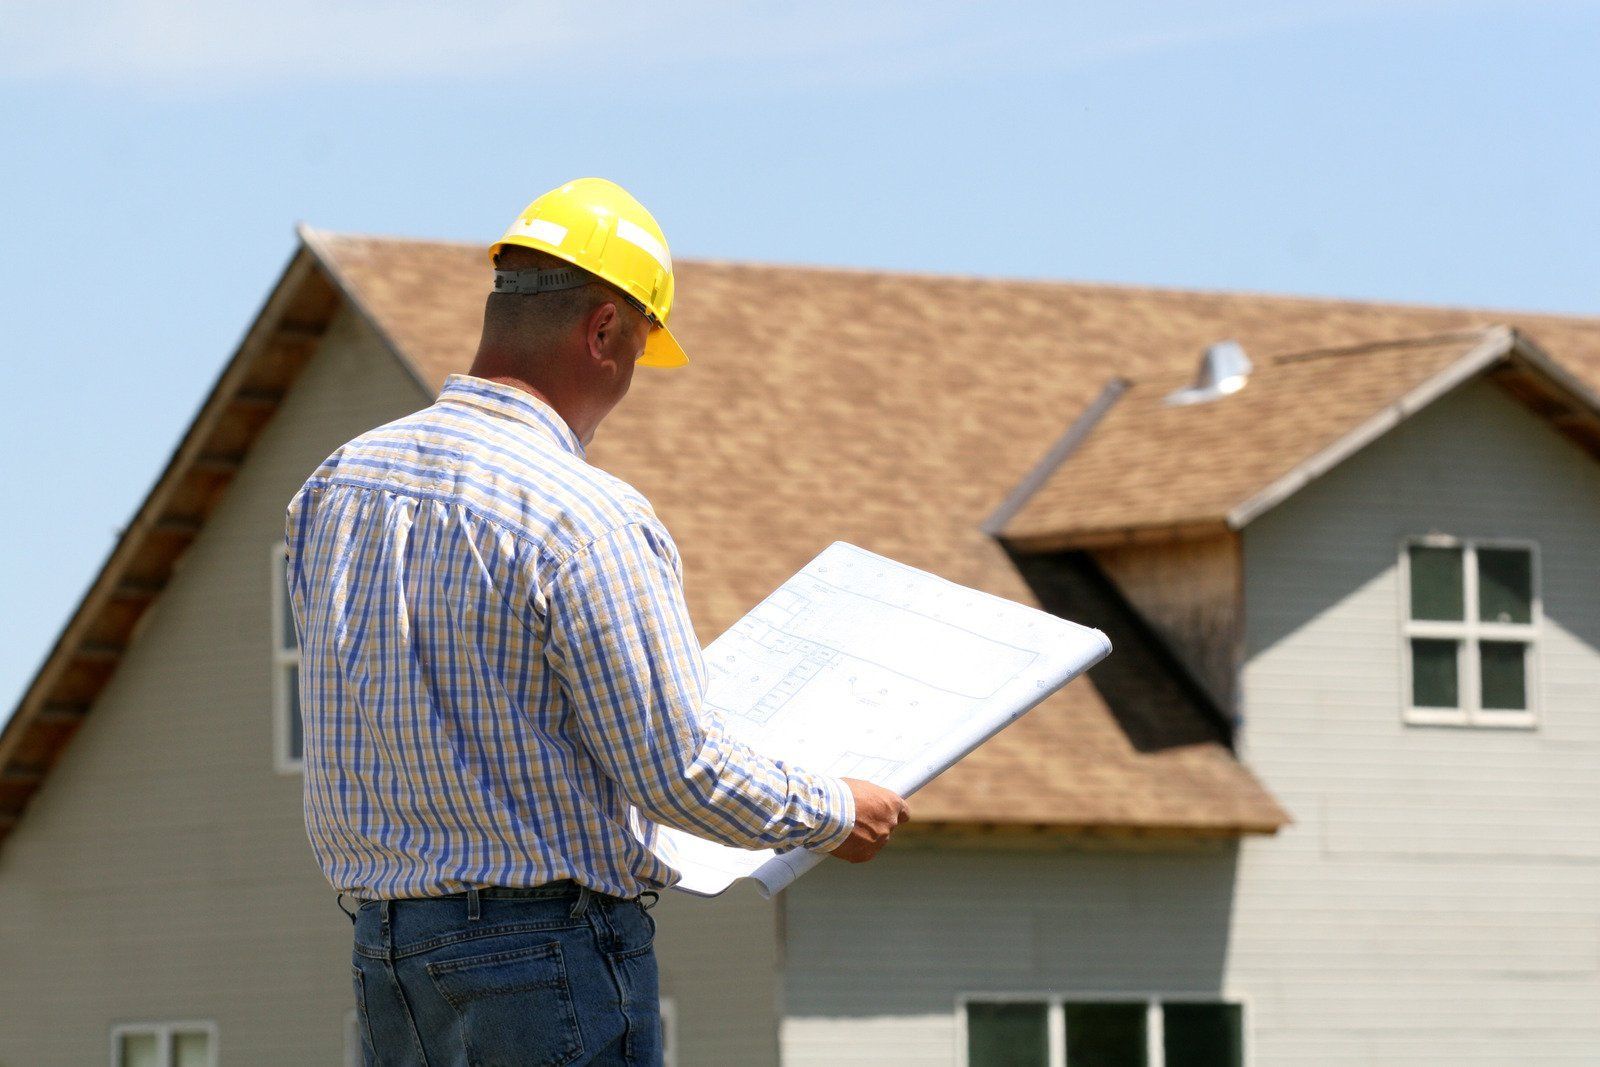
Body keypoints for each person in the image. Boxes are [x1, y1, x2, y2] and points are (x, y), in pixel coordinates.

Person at [284, 177, 910, 1066]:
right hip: (545, 953)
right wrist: (835, 810)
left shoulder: (336, 486)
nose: (624, 385)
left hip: (388, 952)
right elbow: (677, 768)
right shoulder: (585, 518)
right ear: (605, 328)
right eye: (636, 351)